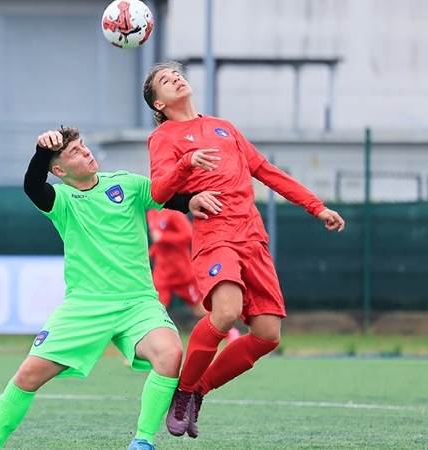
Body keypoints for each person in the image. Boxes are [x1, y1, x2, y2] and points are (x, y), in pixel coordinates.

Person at [0, 126, 220, 450]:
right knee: (28, 375)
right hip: (84, 307)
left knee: (171, 354)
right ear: (59, 170)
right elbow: (33, 186)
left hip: (137, 303)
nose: (86, 152)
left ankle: (143, 442)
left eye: (83, 146)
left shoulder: (127, 184)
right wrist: (42, 151)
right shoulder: (62, 200)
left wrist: (193, 199)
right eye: (74, 152)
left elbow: (168, 197)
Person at [141, 61, 346, 439]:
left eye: (177, 74)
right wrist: (187, 166)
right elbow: (157, 192)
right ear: (158, 104)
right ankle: (182, 393)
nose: (176, 79)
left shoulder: (224, 126)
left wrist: (316, 206)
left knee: (268, 335)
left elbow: (266, 170)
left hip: (253, 235)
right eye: (165, 81)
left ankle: (200, 388)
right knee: (227, 312)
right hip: (215, 234)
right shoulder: (164, 137)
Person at [147, 208, 206, 318]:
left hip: (182, 273)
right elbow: (159, 245)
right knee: (158, 309)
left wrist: (164, 237)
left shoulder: (174, 213)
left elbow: (189, 234)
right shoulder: (151, 214)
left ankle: (229, 332)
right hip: (162, 273)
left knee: (199, 311)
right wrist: (149, 254)